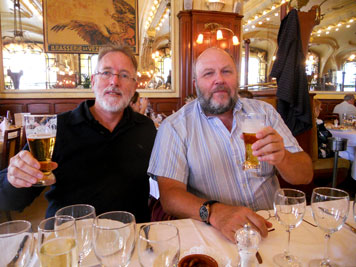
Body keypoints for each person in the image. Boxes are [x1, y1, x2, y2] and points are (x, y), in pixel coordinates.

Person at [148, 47, 313, 242]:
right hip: (214, 232)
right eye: (208, 73)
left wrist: (283, 157)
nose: (219, 80)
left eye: (227, 71)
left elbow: (305, 175)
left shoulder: (265, 113)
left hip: (271, 228)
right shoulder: (175, 127)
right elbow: (170, 197)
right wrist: (215, 212)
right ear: (196, 84)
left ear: (237, 78)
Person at [0, 45, 156, 223]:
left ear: (134, 86)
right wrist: (13, 178)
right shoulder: (56, 128)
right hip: (70, 237)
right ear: (93, 81)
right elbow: (11, 201)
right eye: (106, 73)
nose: (114, 81)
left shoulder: (146, 128)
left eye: (124, 75)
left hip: (130, 236)